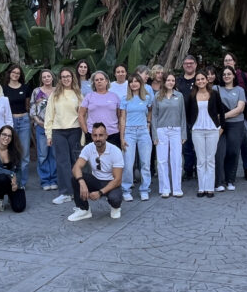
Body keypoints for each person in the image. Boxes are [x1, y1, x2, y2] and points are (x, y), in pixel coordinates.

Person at [67, 123, 124, 222]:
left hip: (111, 182)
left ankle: (116, 207)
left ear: (106, 136)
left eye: (101, 135)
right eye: (95, 135)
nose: (98, 138)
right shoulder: (89, 147)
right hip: (96, 180)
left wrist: (100, 193)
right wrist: (82, 182)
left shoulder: (115, 151)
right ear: (92, 136)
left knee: (115, 198)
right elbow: (76, 167)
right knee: (76, 178)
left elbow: (118, 180)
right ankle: (84, 209)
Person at [45, 67, 82, 205]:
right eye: (63, 77)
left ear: (72, 78)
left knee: (75, 161)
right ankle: (65, 193)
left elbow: (83, 115)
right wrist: (49, 135)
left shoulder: (78, 94)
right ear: (60, 79)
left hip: (75, 130)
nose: (66, 79)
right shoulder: (55, 95)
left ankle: (77, 190)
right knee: (62, 162)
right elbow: (49, 115)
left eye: (68, 76)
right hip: (58, 131)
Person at [187, 69, 225, 197]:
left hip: (212, 130)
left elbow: (222, 111)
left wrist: (221, 127)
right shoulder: (192, 96)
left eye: (202, 79)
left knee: (210, 160)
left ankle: (209, 188)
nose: (200, 81)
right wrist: (191, 126)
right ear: (195, 82)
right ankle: (201, 188)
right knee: (200, 160)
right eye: (198, 79)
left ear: (207, 80)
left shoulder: (214, 94)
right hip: (197, 131)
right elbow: (188, 114)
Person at [119, 73, 153, 201]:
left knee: (145, 163)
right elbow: (122, 118)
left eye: (136, 81)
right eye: (131, 82)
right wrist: (122, 137)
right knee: (128, 164)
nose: (134, 84)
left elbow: (150, 111)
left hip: (143, 131)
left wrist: (148, 123)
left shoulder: (147, 98)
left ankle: (145, 189)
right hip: (129, 132)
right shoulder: (125, 99)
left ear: (140, 83)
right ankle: (126, 189)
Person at [152, 73, 186, 197]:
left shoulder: (179, 96)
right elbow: (154, 116)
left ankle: (177, 188)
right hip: (161, 130)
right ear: (164, 82)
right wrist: (154, 135)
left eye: (172, 80)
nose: (170, 82)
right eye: (168, 80)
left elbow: (183, 115)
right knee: (162, 160)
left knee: (176, 159)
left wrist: (183, 134)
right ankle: (165, 188)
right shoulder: (157, 96)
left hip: (176, 130)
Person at [222, 52, 247, 181]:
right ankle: (227, 172)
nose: (228, 62)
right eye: (226, 60)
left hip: (243, 115)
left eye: (230, 60)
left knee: (245, 144)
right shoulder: (223, 76)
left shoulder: (244, 76)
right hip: (227, 118)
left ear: (234, 61)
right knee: (230, 145)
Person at [215, 66, 246, 192]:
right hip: (219, 126)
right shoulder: (216, 89)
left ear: (233, 75)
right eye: (224, 74)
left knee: (233, 152)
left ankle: (230, 180)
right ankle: (219, 181)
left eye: (229, 74)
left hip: (236, 124)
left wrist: (223, 116)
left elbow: (240, 109)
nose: (226, 76)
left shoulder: (240, 90)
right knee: (219, 153)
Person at [0, 125, 26, 213]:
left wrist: (16, 184)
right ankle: (0, 198)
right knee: (2, 178)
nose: (6, 138)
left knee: (19, 208)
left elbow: (18, 169)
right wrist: (11, 174)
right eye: (4, 134)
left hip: (13, 181)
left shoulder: (16, 150)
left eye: (9, 136)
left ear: (12, 138)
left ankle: (11, 196)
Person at [3, 64, 31, 188]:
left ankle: (22, 183)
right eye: (13, 72)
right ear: (9, 73)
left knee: (24, 153)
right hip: (10, 122)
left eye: (18, 73)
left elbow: (27, 105)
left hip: (24, 120)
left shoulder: (25, 88)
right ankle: (12, 181)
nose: (15, 75)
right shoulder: (3, 90)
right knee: (10, 152)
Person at [30, 69, 58, 191]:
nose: (46, 78)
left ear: (52, 78)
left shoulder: (58, 90)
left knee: (54, 154)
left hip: (55, 127)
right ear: (41, 79)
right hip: (41, 127)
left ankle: (55, 179)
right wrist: (39, 122)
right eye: (44, 77)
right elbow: (32, 109)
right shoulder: (36, 92)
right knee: (43, 154)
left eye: (48, 76)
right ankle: (45, 180)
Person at [79, 70, 121, 147]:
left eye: (101, 79)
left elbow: (120, 116)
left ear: (107, 81)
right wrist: (86, 131)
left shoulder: (115, 96)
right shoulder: (89, 96)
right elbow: (81, 114)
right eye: (96, 80)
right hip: (94, 135)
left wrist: (119, 130)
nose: (99, 81)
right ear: (94, 83)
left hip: (113, 134)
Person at [176, 54, 198, 181]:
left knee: (199, 146)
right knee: (186, 147)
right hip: (182, 119)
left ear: (195, 65)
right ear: (183, 65)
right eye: (186, 63)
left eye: (191, 63)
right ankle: (188, 170)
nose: (189, 65)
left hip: (198, 118)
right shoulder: (178, 81)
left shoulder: (200, 79)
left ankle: (199, 170)